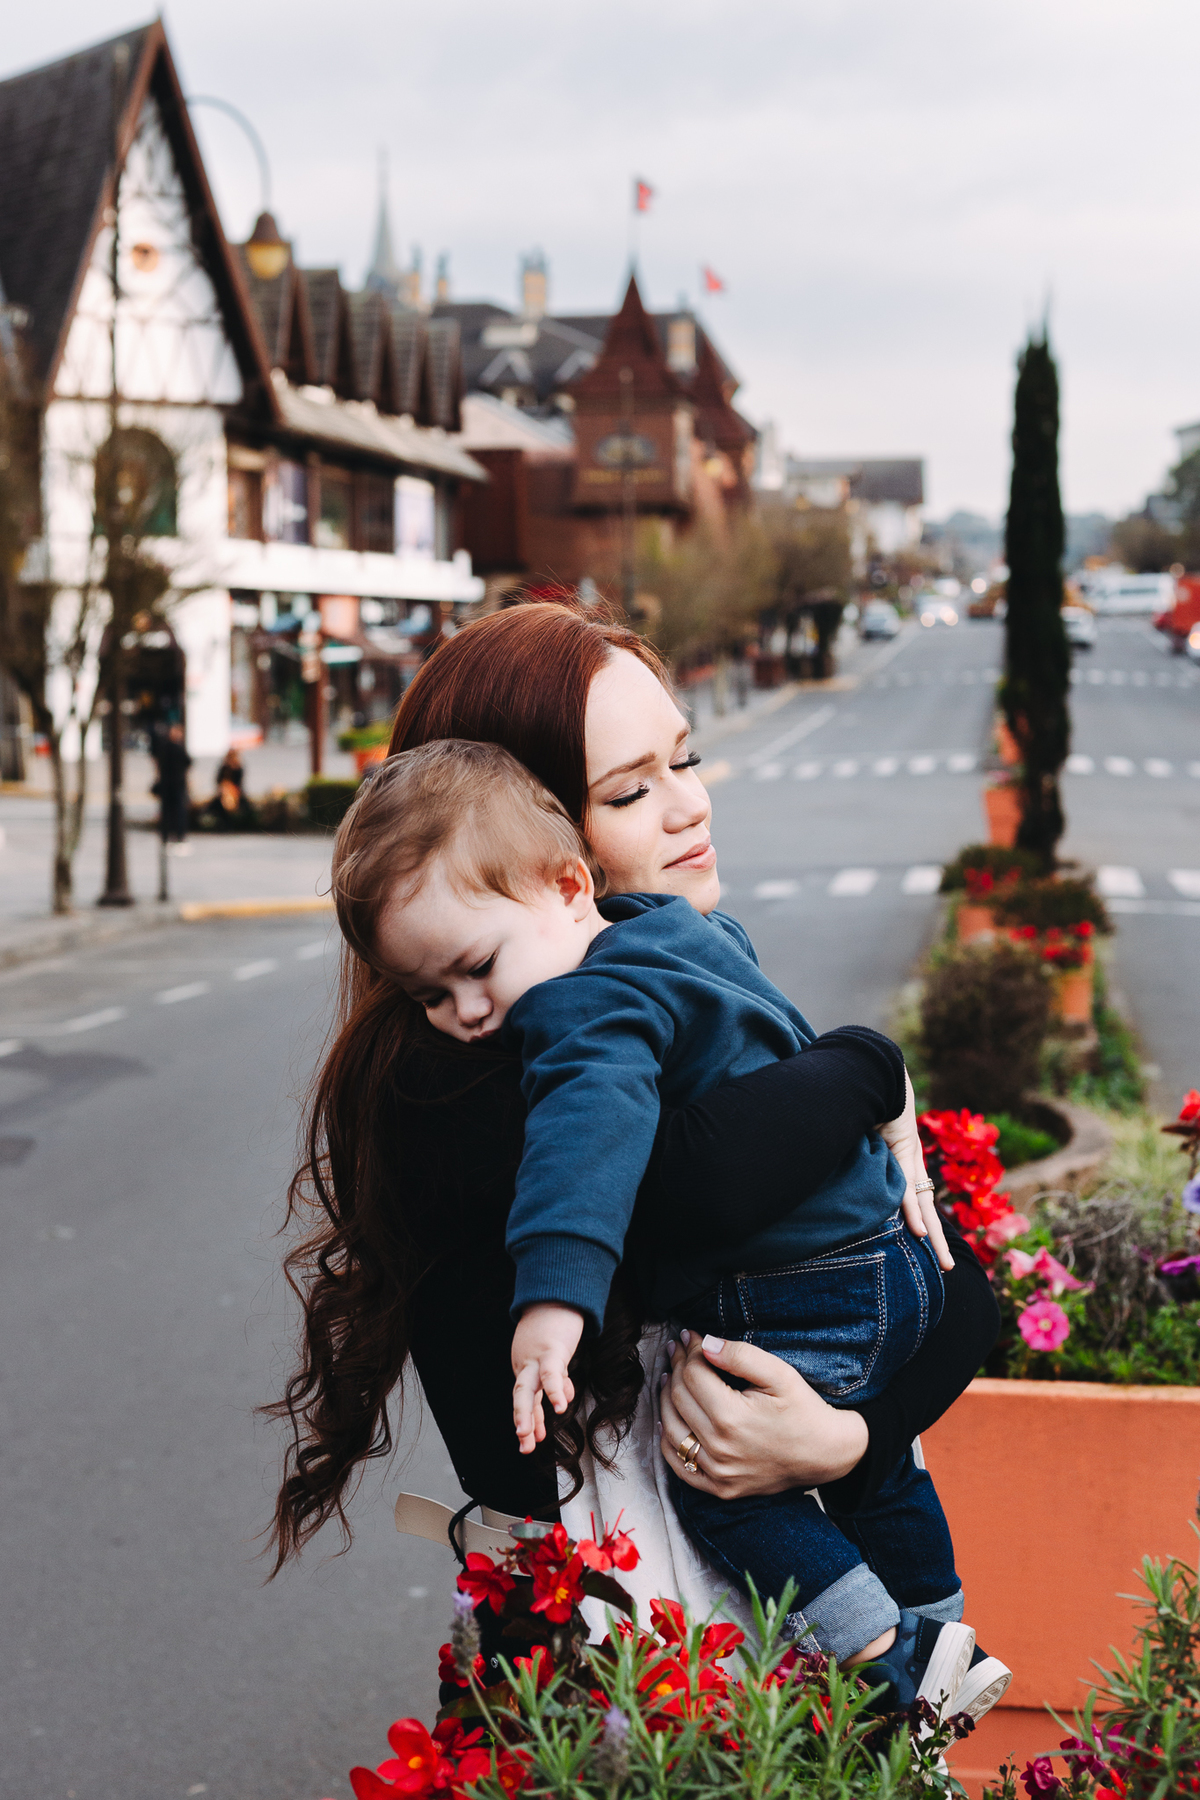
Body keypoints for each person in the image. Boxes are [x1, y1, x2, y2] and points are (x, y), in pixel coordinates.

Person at [265, 601, 1000, 1694]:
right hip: (651, 1667)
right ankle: (908, 1653)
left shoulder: (672, 972)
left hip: (745, 1643)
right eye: (628, 791)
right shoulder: (474, 1075)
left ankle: (918, 1653)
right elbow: (708, 1184)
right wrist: (862, 1068)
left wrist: (850, 1441)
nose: (691, 805)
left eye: (683, 760)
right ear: (531, 837)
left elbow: (950, 1284)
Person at [153, 721, 192, 852]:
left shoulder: (163, 748)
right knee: (179, 811)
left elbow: (158, 764)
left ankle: (166, 837)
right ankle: (179, 836)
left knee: (167, 811)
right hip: (177, 784)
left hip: (166, 784)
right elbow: (188, 762)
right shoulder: (178, 748)